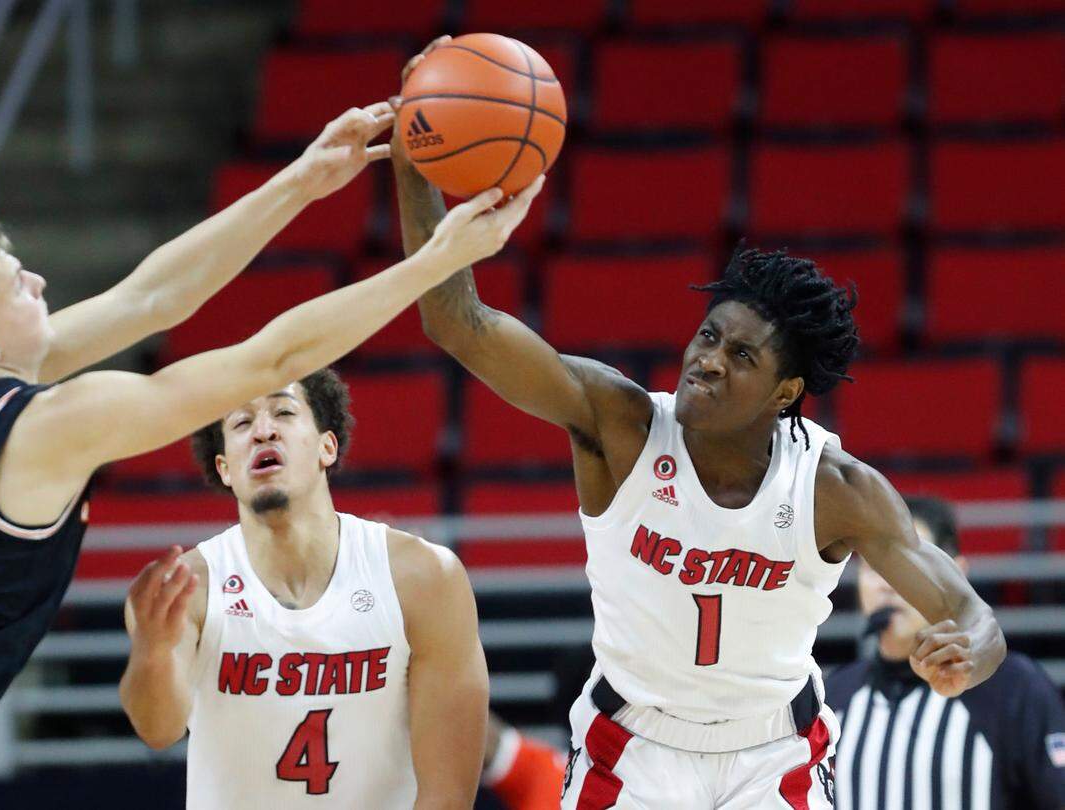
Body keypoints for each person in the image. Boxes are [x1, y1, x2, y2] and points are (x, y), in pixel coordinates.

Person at [393, 37, 1005, 809]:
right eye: (708, 337)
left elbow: (973, 615)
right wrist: (415, 161)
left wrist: (970, 652)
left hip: (774, 755)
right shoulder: (619, 424)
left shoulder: (833, 488)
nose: (707, 361)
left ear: (785, 392)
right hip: (631, 748)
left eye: (740, 356)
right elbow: (455, 321)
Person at [0, 95, 543, 809]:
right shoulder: (42, 428)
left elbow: (151, 297)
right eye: (16, 285)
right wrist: (439, 260)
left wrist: (302, 181)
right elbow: (271, 359)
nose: (38, 282)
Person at [119, 368, 488, 808]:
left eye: (283, 412)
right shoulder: (189, 587)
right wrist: (153, 653)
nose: (263, 430)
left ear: (326, 447)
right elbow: (159, 731)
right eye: (242, 422)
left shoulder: (422, 577)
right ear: (224, 469)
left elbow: (448, 795)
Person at [827, 495, 1065, 810]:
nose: (887, 584)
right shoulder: (833, 698)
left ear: (956, 575)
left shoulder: (1014, 690)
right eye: (873, 567)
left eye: (906, 566)